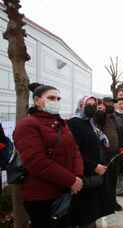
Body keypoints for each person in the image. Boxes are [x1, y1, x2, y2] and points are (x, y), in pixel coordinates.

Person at [13, 83, 83, 228]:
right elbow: (36, 162)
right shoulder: (27, 125)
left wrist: (77, 176)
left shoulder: (61, 123)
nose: (56, 101)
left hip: (64, 190)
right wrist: (71, 180)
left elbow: (75, 150)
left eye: (58, 99)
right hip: (41, 195)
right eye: (51, 98)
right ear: (37, 100)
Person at [68, 96, 114, 228]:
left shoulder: (90, 122)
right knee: (84, 211)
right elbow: (74, 152)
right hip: (83, 172)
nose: (92, 107)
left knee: (91, 210)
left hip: (94, 171)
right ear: (81, 105)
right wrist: (93, 166)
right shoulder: (74, 123)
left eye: (94, 105)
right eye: (88, 104)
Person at [98, 97, 123, 211]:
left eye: (112, 104)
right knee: (106, 181)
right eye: (108, 104)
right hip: (105, 155)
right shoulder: (100, 117)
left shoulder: (114, 117)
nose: (111, 106)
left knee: (113, 179)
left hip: (115, 153)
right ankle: (106, 203)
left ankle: (113, 201)